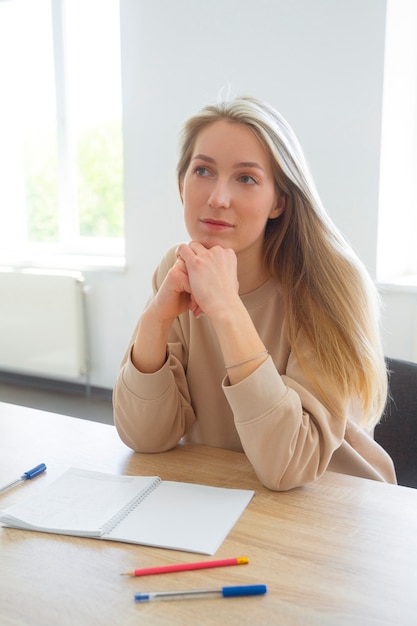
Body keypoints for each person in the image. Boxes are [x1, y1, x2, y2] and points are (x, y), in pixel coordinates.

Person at [113, 96, 397, 491]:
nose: (217, 197)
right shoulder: (177, 269)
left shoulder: (326, 283)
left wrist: (228, 311)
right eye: (203, 171)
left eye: (246, 178)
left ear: (278, 200)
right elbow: (145, 437)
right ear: (182, 184)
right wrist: (154, 321)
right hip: (228, 493)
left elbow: (288, 465)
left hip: (332, 506)